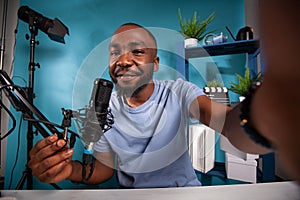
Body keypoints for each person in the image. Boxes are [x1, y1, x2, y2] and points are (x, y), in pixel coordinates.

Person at [28, 22, 272, 188]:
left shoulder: (179, 91)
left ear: (154, 63)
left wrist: (257, 118)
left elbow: (224, 121)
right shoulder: (101, 110)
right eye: (115, 53)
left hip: (183, 193)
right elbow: (104, 169)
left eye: (137, 51)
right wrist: (69, 170)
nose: (123, 60)